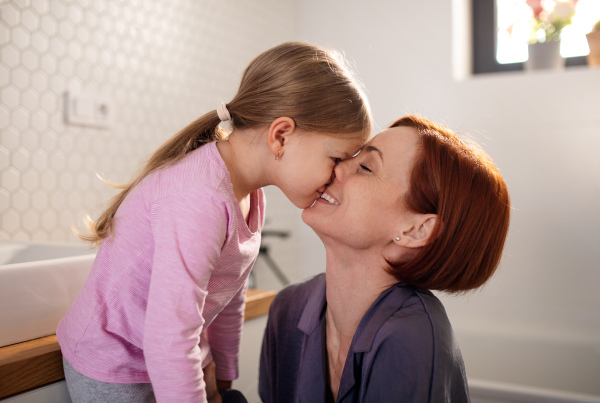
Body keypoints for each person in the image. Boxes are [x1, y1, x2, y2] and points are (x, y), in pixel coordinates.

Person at [56, 41, 372, 403]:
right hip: (114, 362)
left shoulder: (251, 194)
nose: (338, 177)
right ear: (281, 136)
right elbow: (169, 334)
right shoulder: (201, 199)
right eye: (336, 158)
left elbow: (229, 292)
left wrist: (223, 376)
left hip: (164, 350)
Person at [259, 115, 511, 402]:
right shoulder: (288, 309)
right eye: (350, 157)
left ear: (416, 230)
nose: (338, 167)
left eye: (365, 167)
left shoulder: (412, 339)